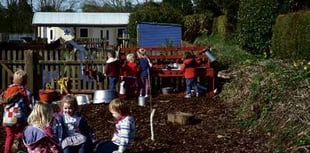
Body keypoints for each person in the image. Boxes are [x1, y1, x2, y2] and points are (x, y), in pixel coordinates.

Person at [1, 69, 34, 153]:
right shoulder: (26, 92)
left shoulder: (8, 91)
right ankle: (18, 140)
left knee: (9, 136)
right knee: (23, 131)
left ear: (13, 80)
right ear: (26, 81)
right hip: (20, 119)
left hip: (8, 118)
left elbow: (3, 101)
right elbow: (31, 105)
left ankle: (7, 151)